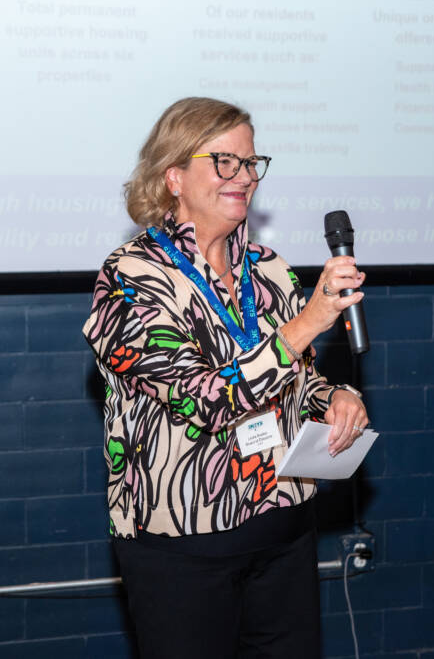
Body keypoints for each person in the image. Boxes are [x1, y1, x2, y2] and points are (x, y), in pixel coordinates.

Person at [82, 97, 369, 658]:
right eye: (225, 162)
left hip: (283, 530)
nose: (244, 178)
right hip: (183, 547)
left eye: (251, 163)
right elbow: (205, 402)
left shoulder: (268, 269)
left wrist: (335, 395)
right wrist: (309, 321)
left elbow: (296, 380)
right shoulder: (131, 278)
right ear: (174, 176)